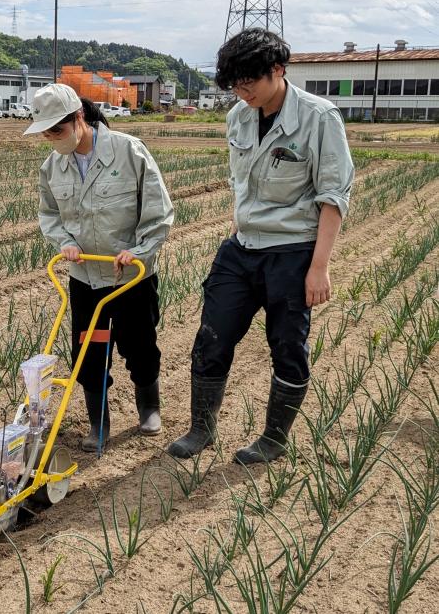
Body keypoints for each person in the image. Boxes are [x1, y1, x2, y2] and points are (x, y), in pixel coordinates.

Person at [167, 28, 354, 464]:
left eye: (249, 81)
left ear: (277, 69)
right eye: (234, 83)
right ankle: (201, 428)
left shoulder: (319, 118)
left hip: (292, 250)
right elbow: (243, 182)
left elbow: (333, 197)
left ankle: (273, 438)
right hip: (242, 246)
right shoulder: (238, 116)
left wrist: (319, 267)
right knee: (212, 337)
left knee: (288, 346)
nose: (242, 91)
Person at [28, 84, 174, 452]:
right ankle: (99, 423)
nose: (52, 139)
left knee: (139, 344)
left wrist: (139, 250)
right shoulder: (53, 166)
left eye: (56, 130)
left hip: (130, 276)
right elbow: (49, 214)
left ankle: (149, 407)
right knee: (87, 352)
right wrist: (65, 242)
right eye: (46, 133)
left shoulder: (128, 151)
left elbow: (157, 210)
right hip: (84, 277)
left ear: (78, 118)